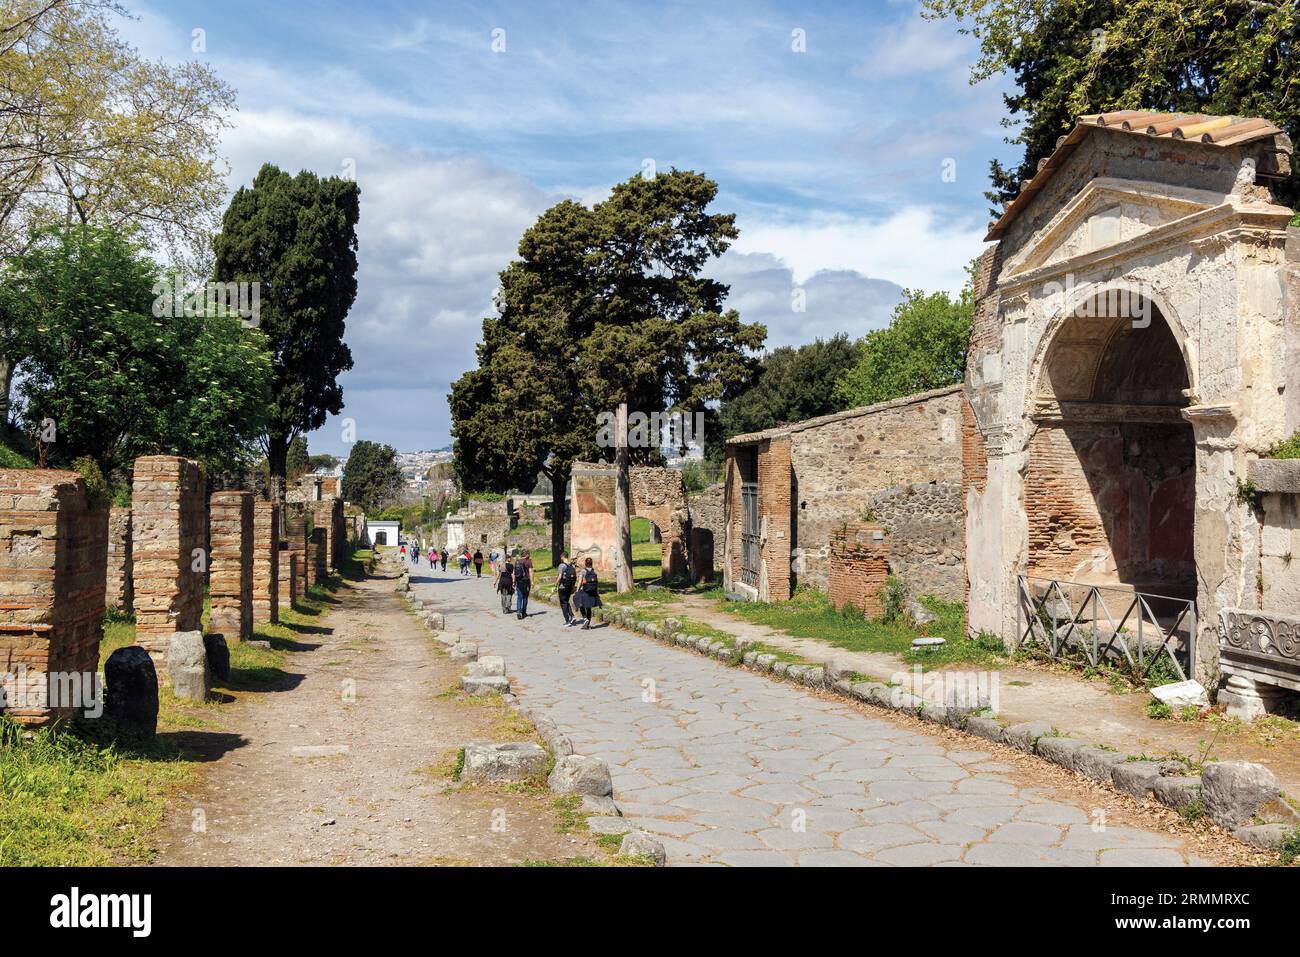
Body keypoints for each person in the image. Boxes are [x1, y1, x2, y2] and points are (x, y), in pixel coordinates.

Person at [573, 557, 602, 629]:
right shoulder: (594, 572)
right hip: (592, 592)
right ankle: (587, 624)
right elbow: (596, 583)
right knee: (588, 608)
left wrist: (577, 590)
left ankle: (585, 618)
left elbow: (580, 581)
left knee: (580, 604)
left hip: (584, 591)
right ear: (591, 564)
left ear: (585, 563)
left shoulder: (583, 571)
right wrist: (597, 593)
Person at [555, 552, 577, 625]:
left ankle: (567, 621)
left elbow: (560, 576)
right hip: (570, 586)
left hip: (563, 587)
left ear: (562, 557)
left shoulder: (562, 565)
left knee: (563, 604)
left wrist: (555, 584)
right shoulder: (572, 566)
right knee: (566, 602)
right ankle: (572, 616)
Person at [513, 549, 532, 619]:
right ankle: (523, 612)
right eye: (529, 554)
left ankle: (518, 611)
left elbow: (515, 573)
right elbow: (530, 572)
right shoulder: (528, 561)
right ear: (526, 555)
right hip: (526, 581)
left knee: (519, 597)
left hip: (519, 581)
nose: (529, 555)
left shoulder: (517, 561)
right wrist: (532, 582)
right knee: (525, 597)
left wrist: (514, 582)